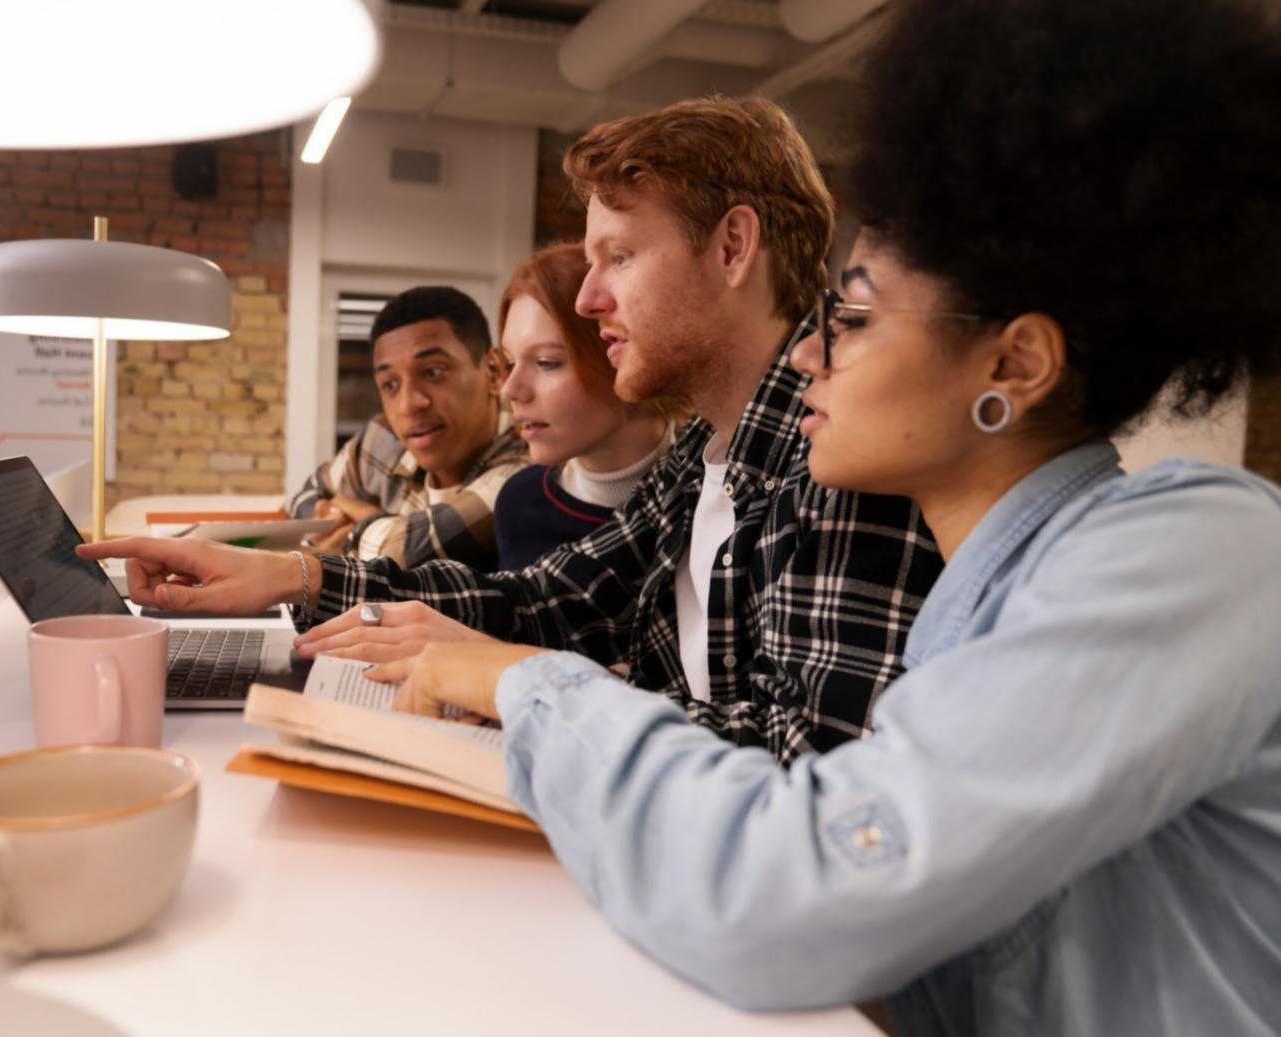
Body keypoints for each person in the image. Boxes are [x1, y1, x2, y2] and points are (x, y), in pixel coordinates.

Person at [369, 0, 1281, 1031]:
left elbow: (797, 887)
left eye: (853, 316)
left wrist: (526, 685)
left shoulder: (1201, 546)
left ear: (1013, 364)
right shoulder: (980, 608)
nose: (809, 351)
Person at [81, 96, 944, 762]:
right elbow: (552, 599)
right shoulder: (702, 451)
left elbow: (814, 763)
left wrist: (524, 683)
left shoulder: (848, 450)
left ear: (732, 248)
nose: (589, 298)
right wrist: (293, 573)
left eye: (620, 256)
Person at [286, 285, 526, 568]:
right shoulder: (384, 439)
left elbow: (409, 553)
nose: (408, 405)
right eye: (390, 384)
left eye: (433, 371)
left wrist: (353, 535)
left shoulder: (530, 460)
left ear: (493, 371)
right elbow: (307, 494)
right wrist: (329, 514)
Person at [493, 242, 684, 569]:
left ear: (621, 352)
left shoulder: (709, 493)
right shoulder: (519, 503)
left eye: (547, 362)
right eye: (510, 363)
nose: (510, 390)